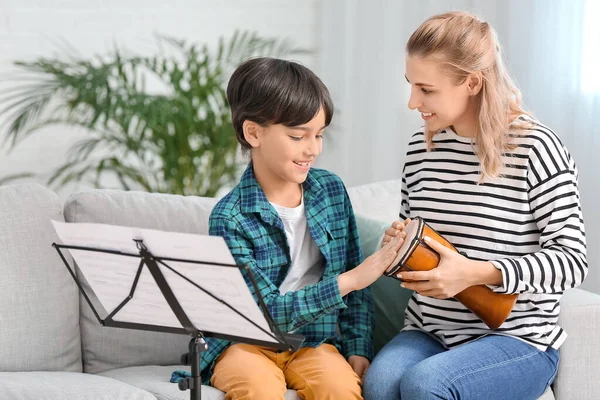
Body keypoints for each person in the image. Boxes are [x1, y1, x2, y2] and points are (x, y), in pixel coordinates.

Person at [363, 11, 588, 400]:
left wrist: (474, 273)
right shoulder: (422, 148)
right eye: (410, 86)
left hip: (518, 339)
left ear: (471, 82)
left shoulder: (536, 148)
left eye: (427, 90)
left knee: (427, 385)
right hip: (429, 329)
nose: (413, 102)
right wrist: (399, 245)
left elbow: (572, 261)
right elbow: (413, 232)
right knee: (380, 387)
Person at [205, 57, 405, 400]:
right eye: (298, 136)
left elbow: (357, 294)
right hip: (247, 342)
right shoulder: (229, 218)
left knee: (341, 389)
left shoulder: (330, 191)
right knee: (257, 388)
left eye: (319, 135)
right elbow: (266, 314)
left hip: (314, 341)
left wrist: (358, 347)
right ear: (253, 132)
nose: (312, 148)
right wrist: (351, 279)